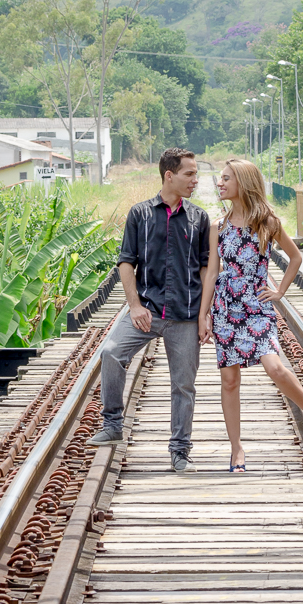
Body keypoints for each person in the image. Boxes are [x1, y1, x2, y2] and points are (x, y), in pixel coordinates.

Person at [198, 158, 303, 473]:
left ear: (243, 182)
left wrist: (279, 291)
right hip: (226, 309)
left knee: (275, 367)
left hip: (256, 308)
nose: (221, 184)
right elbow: (213, 272)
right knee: (229, 380)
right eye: (220, 179)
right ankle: (237, 450)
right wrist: (204, 316)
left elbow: (295, 258)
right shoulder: (219, 226)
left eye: (226, 178)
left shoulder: (268, 223)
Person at [88, 148, 210, 473]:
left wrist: (205, 315)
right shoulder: (139, 214)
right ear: (169, 175)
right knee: (111, 352)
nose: (195, 181)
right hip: (148, 310)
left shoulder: (199, 218)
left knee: (183, 384)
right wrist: (134, 305)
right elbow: (126, 262)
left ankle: (180, 451)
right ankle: (113, 424)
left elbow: (206, 271)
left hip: (184, 315)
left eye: (196, 175)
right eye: (189, 174)